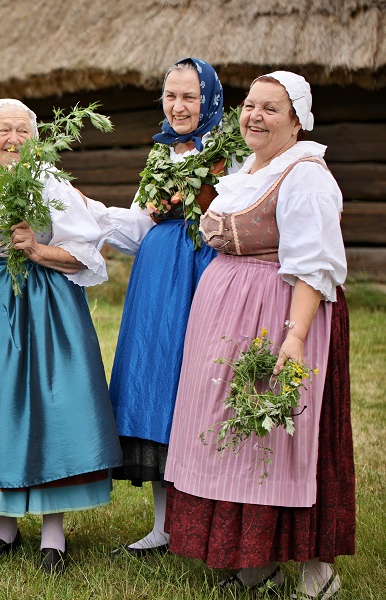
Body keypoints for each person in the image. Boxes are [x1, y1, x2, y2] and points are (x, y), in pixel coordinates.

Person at [164, 72, 354, 599]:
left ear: (297, 121)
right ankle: (254, 561)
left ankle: (319, 571)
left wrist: (294, 339)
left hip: (281, 317)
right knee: (237, 435)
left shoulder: (305, 175)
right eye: (250, 105)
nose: (255, 116)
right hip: (227, 318)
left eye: (271, 109)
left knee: (283, 434)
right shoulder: (248, 170)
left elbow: (314, 267)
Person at [0, 99, 124, 575]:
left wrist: (38, 248)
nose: (13, 139)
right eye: (4, 130)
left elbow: (88, 254)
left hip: (43, 302)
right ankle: (3, 528)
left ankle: (53, 534)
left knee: (49, 407)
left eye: (23, 130)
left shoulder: (50, 184)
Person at [106, 58, 239, 556]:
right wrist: (86, 214)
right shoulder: (161, 156)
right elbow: (138, 228)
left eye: (190, 97)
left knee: (198, 383)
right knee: (159, 383)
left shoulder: (231, 154)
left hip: (203, 273)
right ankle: (163, 525)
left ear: (209, 99)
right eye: (171, 97)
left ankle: (204, 519)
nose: (179, 107)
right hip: (157, 280)